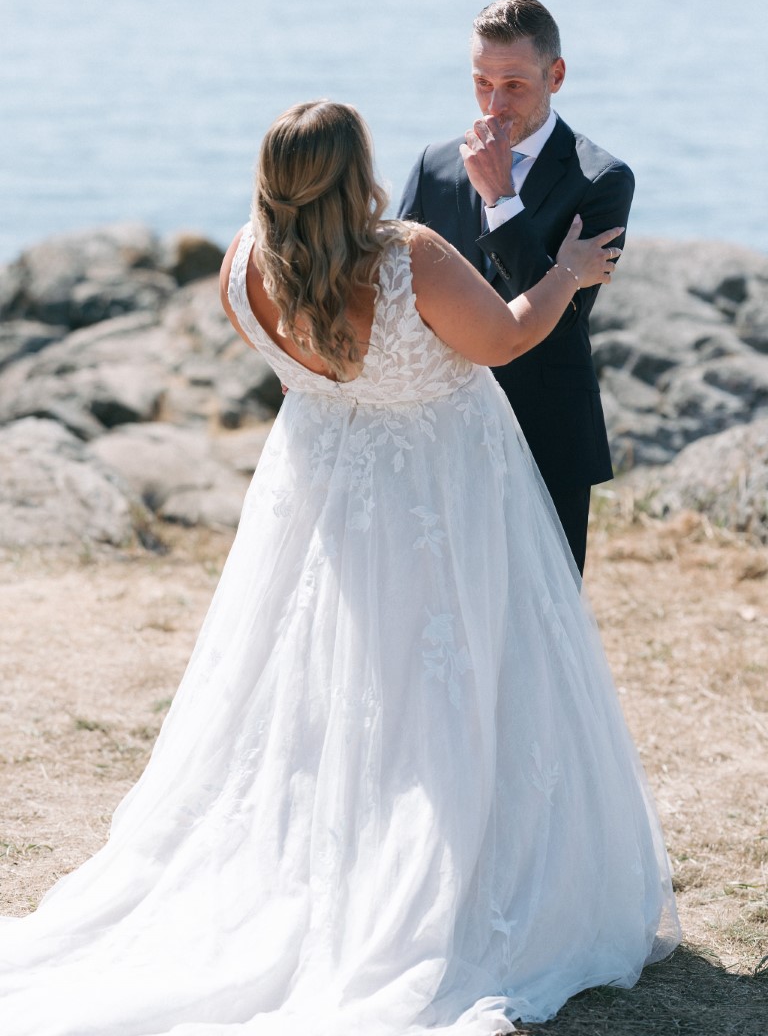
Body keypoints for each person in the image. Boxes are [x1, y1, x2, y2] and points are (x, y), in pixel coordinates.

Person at [0, 101, 679, 1036]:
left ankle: (329, 864)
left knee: (332, 695)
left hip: (329, 502)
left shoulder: (245, 263)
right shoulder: (408, 256)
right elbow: (507, 338)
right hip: (445, 498)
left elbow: (294, 372)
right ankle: (451, 883)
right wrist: (564, 272)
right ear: (358, 168)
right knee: (452, 684)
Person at [398, 0, 635, 574]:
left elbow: (563, 318)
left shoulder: (601, 179)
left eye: (514, 85)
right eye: (482, 82)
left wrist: (502, 202)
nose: (494, 104)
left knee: (544, 621)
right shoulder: (434, 165)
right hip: (440, 426)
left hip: (545, 426)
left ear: (555, 75)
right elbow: (395, 289)